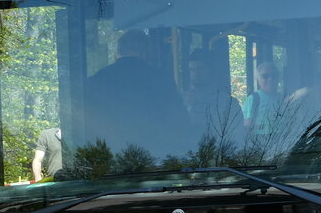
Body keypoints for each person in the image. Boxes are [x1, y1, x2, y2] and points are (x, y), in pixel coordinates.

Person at [86, 29, 185, 157]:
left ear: (118, 51)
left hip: (110, 157)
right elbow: (178, 119)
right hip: (155, 157)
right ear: (145, 51)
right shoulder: (160, 78)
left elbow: (87, 120)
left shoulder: (97, 80)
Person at [183, 49, 244, 140]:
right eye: (192, 70)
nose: (196, 74)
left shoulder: (228, 103)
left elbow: (236, 137)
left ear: (211, 70)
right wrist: (185, 107)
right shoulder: (182, 101)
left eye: (200, 69)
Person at [243, 61, 284, 137]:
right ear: (258, 79)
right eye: (265, 76)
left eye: (274, 75)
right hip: (261, 143)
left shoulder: (284, 99)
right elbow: (247, 127)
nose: (270, 79)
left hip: (287, 142)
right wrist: (266, 128)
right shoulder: (253, 99)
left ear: (278, 78)